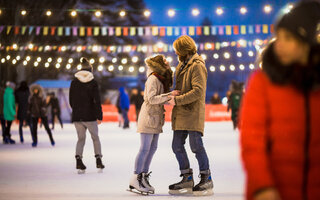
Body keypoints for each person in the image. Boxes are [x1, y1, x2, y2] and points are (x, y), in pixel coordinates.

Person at [240, 2, 320, 200]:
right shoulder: (262, 81)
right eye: (279, 37)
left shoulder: (315, 84)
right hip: (273, 191)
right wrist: (262, 186)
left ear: (306, 44)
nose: (279, 44)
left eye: (289, 38)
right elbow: (252, 140)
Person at [167, 35, 213, 196]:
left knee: (196, 145)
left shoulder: (197, 65)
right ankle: (187, 177)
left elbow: (198, 91)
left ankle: (206, 178)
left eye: (177, 50)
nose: (175, 53)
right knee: (176, 145)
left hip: (192, 111)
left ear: (184, 49)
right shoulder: (182, 64)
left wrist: (177, 100)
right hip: (181, 112)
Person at [129, 54, 176, 194]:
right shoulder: (153, 78)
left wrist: (172, 96)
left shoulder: (161, 79)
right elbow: (150, 99)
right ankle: (135, 177)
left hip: (156, 118)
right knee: (145, 148)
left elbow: (162, 97)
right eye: (165, 63)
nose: (168, 64)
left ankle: (143, 176)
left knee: (152, 148)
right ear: (159, 65)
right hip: (149, 117)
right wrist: (169, 96)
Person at [69, 57, 104, 173]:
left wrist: (77, 111)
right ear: (90, 70)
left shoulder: (74, 82)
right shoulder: (93, 82)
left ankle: (79, 159)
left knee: (80, 139)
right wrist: (99, 116)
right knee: (95, 138)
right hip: (90, 116)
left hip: (77, 116)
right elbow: (97, 100)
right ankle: (98, 159)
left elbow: (71, 100)